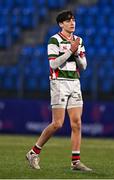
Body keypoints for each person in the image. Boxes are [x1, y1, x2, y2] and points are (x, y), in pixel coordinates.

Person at [26, 10, 92, 172]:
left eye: (73, 20)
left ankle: (75, 162)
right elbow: (54, 64)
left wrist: (76, 53)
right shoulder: (54, 40)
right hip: (59, 83)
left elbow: (83, 66)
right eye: (68, 21)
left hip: (74, 82)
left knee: (77, 123)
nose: (72, 23)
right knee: (58, 123)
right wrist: (70, 51)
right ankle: (33, 152)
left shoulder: (78, 40)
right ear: (61, 24)